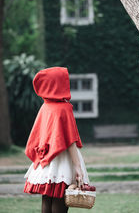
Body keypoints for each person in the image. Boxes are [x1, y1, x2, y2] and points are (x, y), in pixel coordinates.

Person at [24, 67, 89, 213]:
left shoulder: (45, 107)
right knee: (61, 198)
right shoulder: (64, 108)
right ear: (57, 84)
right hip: (63, 161)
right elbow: (70, 139)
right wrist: (77, 167)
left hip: (47, 161)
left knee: (47, 199)